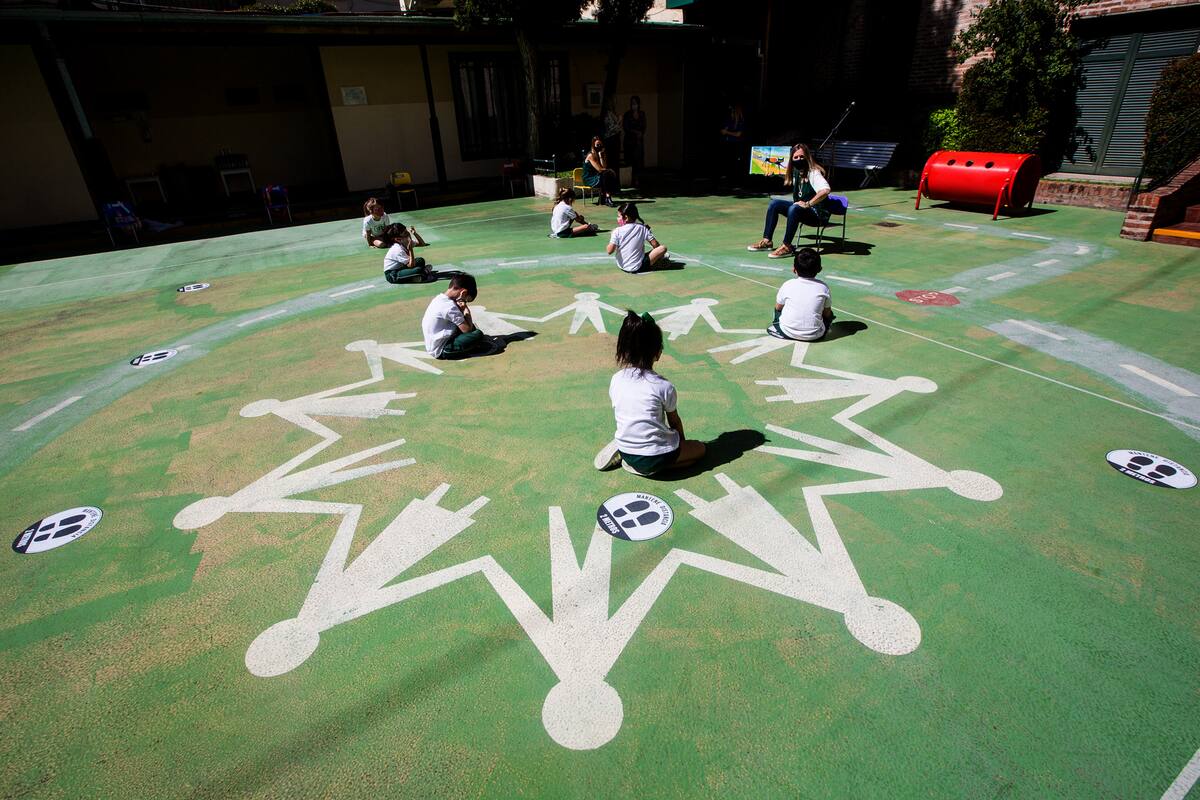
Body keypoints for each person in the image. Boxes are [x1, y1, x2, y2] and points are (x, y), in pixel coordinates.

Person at [594, 311, 706, 475]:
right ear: (658, 352)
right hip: (656, 455)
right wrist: (683, 446)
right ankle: (650, 468)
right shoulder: (663, 386)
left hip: (627, 448)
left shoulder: (616, 379)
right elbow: (674, 422)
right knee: (700, 450)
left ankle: (630, 460)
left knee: (682, 457)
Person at [747, 142, 832, 259]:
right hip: (802, 211)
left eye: (802, 157)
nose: (799, 159)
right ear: (792, 159)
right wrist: (774, 174)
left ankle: (787, 246)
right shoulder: (798, 172)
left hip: (817, 215)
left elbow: (826, 190)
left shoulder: (813, 172)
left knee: (794, 207)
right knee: (774, 204)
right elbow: (788, 176)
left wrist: (808, 204)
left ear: (807, 157)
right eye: (796, 157)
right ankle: (767, 241)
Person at [421, 273, 502, 360]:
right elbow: (467, 330)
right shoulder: (449, 307)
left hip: (433, 343)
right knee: (477, 334)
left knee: (472, 328)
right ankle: (464, 349)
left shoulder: (440, 299)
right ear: (463, 293)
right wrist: (466, 310)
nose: (464, 302)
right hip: (442, 349)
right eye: (466, 300)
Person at [767, 247, 834, 341]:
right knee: (830, 314)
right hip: (816, 335)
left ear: (794, 270)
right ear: (819, 269)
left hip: (787, 331)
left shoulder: (788, 284)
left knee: (778, 312)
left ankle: (779, 328)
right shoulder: (823, 287)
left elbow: (778, 308)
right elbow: (827, 313)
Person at [607, 202, 668, 273]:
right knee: (663, 248)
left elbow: (609, 251)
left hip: (622, 265)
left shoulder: (617, 231)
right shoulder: (642, 228)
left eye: (619, 216)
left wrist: (612, 237)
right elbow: (655, 245)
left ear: (626, 217)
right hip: (639, 266)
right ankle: (658, 261)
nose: (618, 218)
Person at [582, 136, 619, 208]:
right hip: (589, 178)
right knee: (606, 174)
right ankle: (607, 198)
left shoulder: (601, 154)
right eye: (597, 145)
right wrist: (610, 171)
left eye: (600, 145)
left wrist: (601, 156)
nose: (599, 146)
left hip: (598, 176)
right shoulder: (590, 155)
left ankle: (605, 197)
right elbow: (599, 169)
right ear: (593, 145)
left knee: (606, 174)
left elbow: (604, 167)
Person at [622, 96, 647, 183]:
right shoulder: (627, 114)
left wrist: (640, 133)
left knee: (638, 160)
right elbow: (626, 127)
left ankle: (638, 178)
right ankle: (630, 179)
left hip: (638, 141)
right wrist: (635, 132)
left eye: (635, 103)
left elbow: (644, 126)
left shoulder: (642, 114)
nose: (634, 105)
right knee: (630, 160)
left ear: (638, 104)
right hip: (629, 141)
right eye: (632, 103)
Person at [603, 99, 622, 167]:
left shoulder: (613, 113)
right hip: (611, 140)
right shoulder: (607, 114)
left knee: (615, 162)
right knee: (612, 162)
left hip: (615, 139)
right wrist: (619, 121)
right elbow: (610, 129)